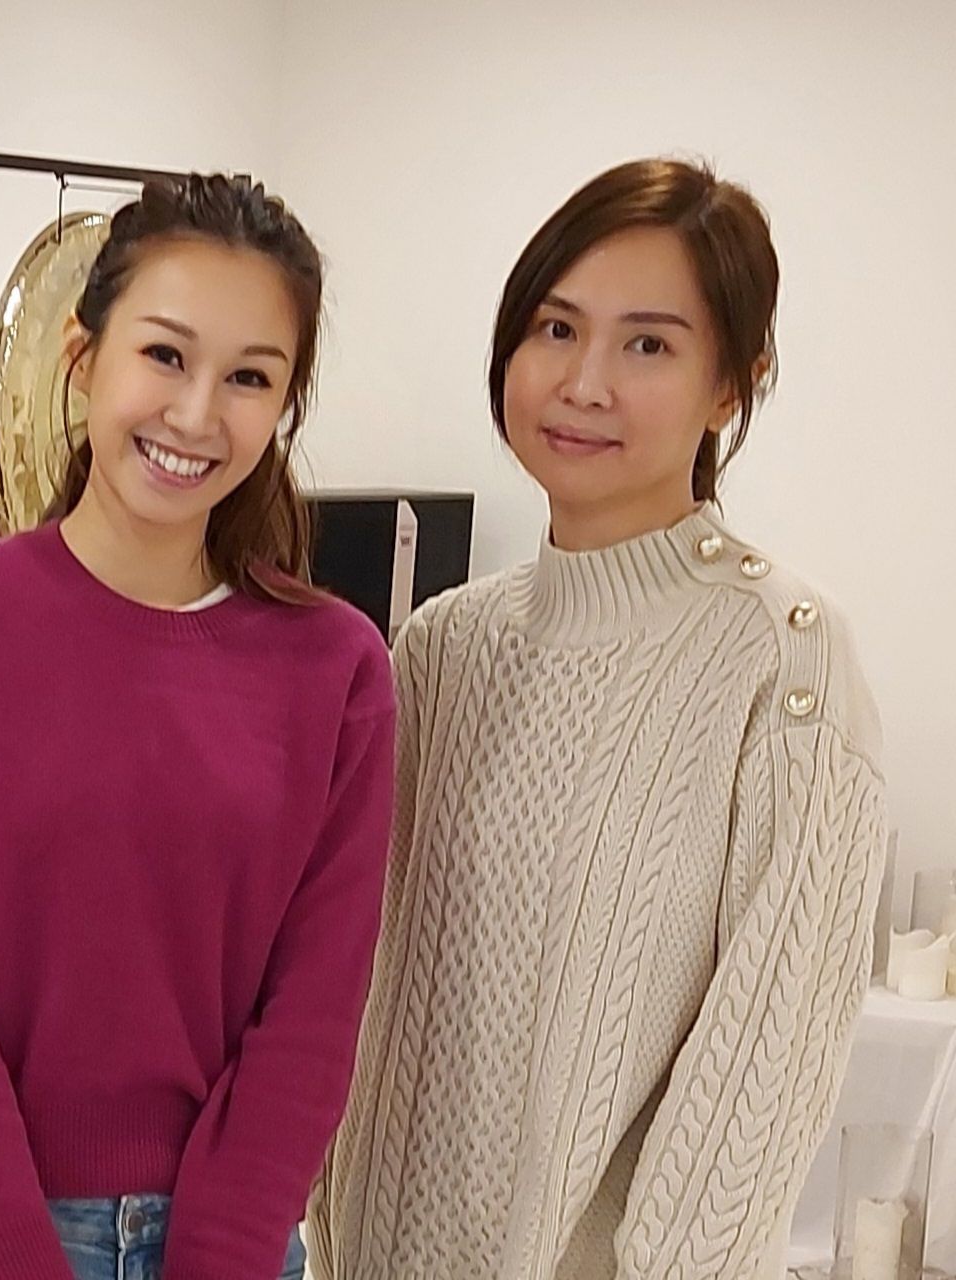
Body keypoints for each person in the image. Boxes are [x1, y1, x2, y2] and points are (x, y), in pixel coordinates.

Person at [308, 157, 887, 1280]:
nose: (583, 382)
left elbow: (755, 1089)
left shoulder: (786, 658)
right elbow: (368, 997)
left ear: (734, 384)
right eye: (554, 328)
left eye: (649, 344)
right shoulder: (441, 648)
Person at [0, 174, 396, 1280]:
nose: (196, 414)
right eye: (165, 355)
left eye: (249, 377)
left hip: (228, 1243)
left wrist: (218, 1255)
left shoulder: (337, 669)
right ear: (83, 357)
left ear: (282, 406)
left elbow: (312, 1012)